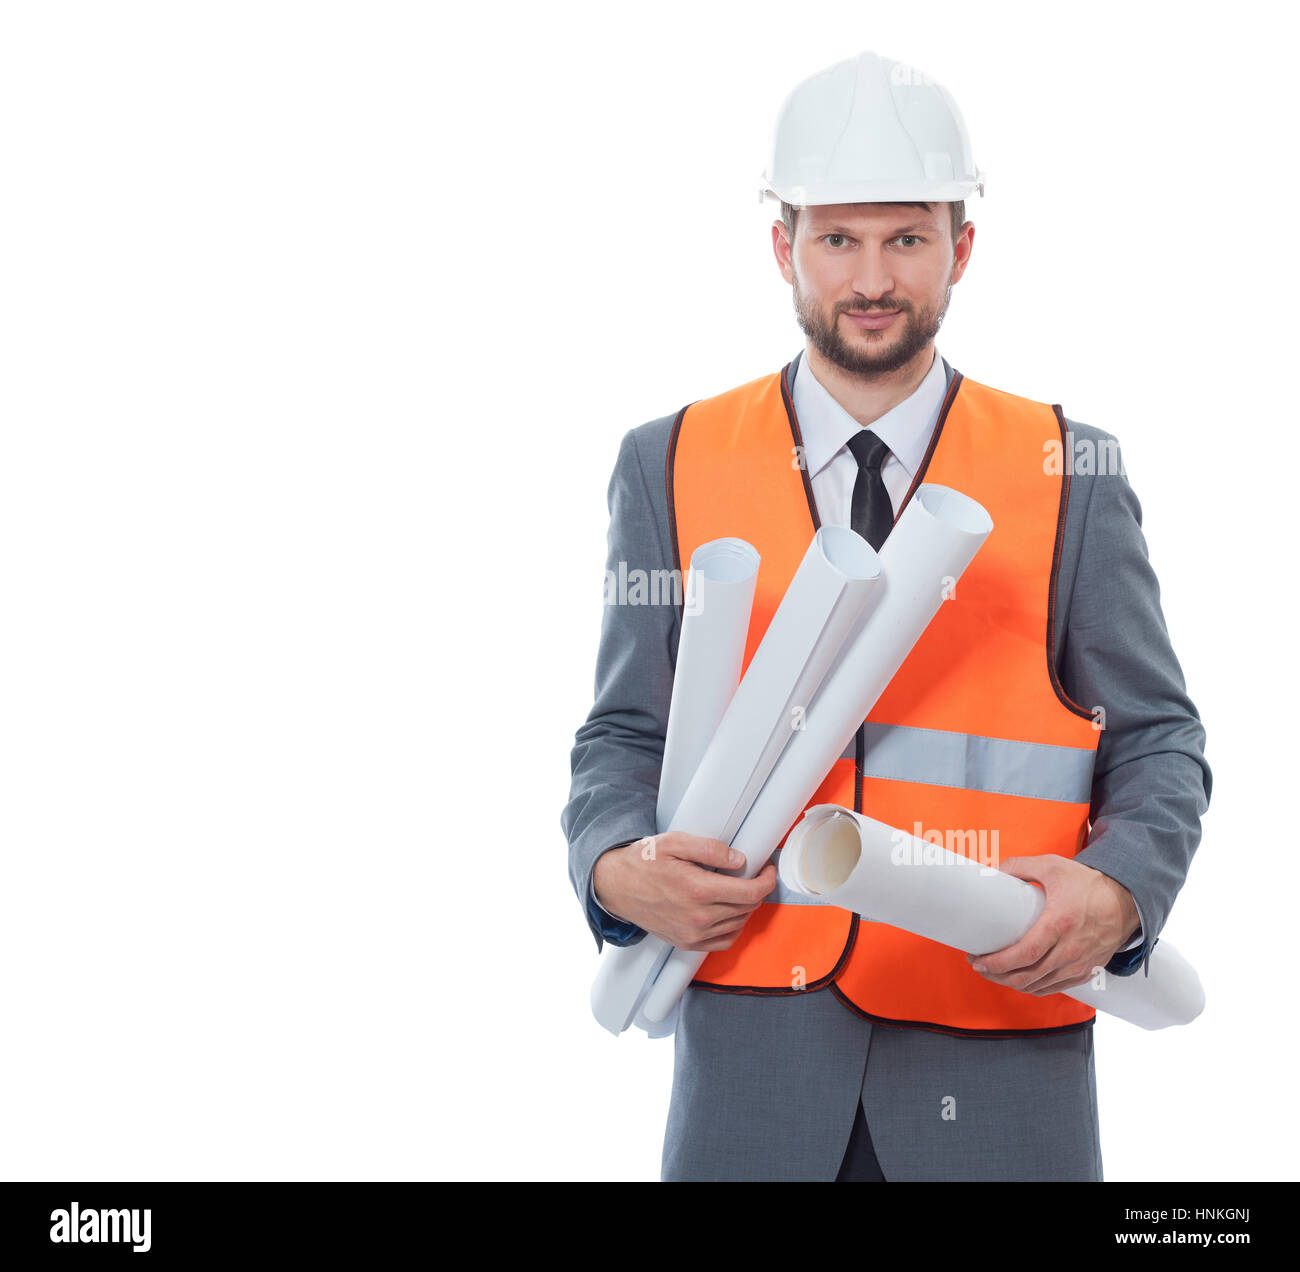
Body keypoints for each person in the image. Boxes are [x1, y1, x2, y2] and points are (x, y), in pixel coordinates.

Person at [561, 50, 1211, 1181]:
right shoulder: (667, 462)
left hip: (998, 1042)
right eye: (836, 239)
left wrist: (1119, 889)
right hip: (755, 1056)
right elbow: (622, 731)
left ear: (961, 248)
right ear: (783, 248)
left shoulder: (1070, 469)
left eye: (905, 239)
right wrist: (615, 867)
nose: (871, 277)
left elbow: (1158, 738)